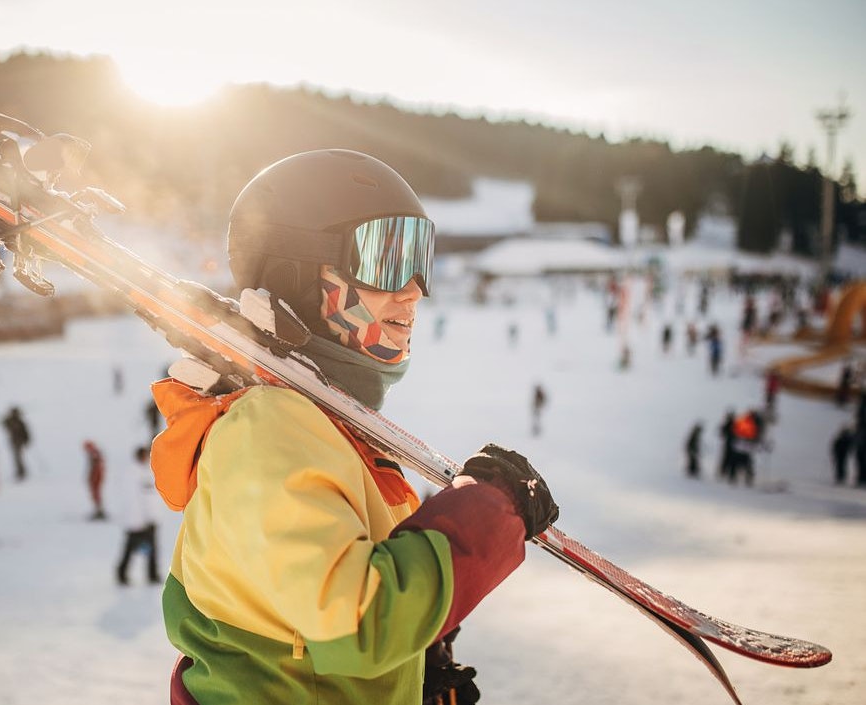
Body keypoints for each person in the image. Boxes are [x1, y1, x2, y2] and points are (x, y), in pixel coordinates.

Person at [148, 150, 558, 705]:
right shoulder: (266, 429)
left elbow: (319, 637)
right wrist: (490, 512)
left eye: (420, 259)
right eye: (387, 259)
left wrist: (410, 672)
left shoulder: (330, 432)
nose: (414, 290)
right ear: (296, 273)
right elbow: (355, 623)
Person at [115, 446, 160, 586]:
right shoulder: (135, 474)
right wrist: (144, 519)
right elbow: (137, 500)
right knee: (131, 548)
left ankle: (150, 574)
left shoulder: (142, 471)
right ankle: (123, 574)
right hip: (139, 520)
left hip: (143, 519)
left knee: (148, 549)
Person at [1, 406, 32, 481]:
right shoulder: (10, 421)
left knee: (18, 457)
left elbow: (26, 433)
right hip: (13, 442)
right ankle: (20, 471)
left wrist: (27, 441)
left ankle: (21, 471)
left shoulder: (20, 422)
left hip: (19, 442)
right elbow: (3, 423)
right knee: (17, 457)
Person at [83, 439, 107, 520]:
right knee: (95, 494)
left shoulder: (94, 454)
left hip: (96, 477)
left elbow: (96, 468)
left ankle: (99, 511)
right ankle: (98, 510)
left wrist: (93, 478)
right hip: (96, 477)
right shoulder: (94, 454)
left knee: (96, 494)